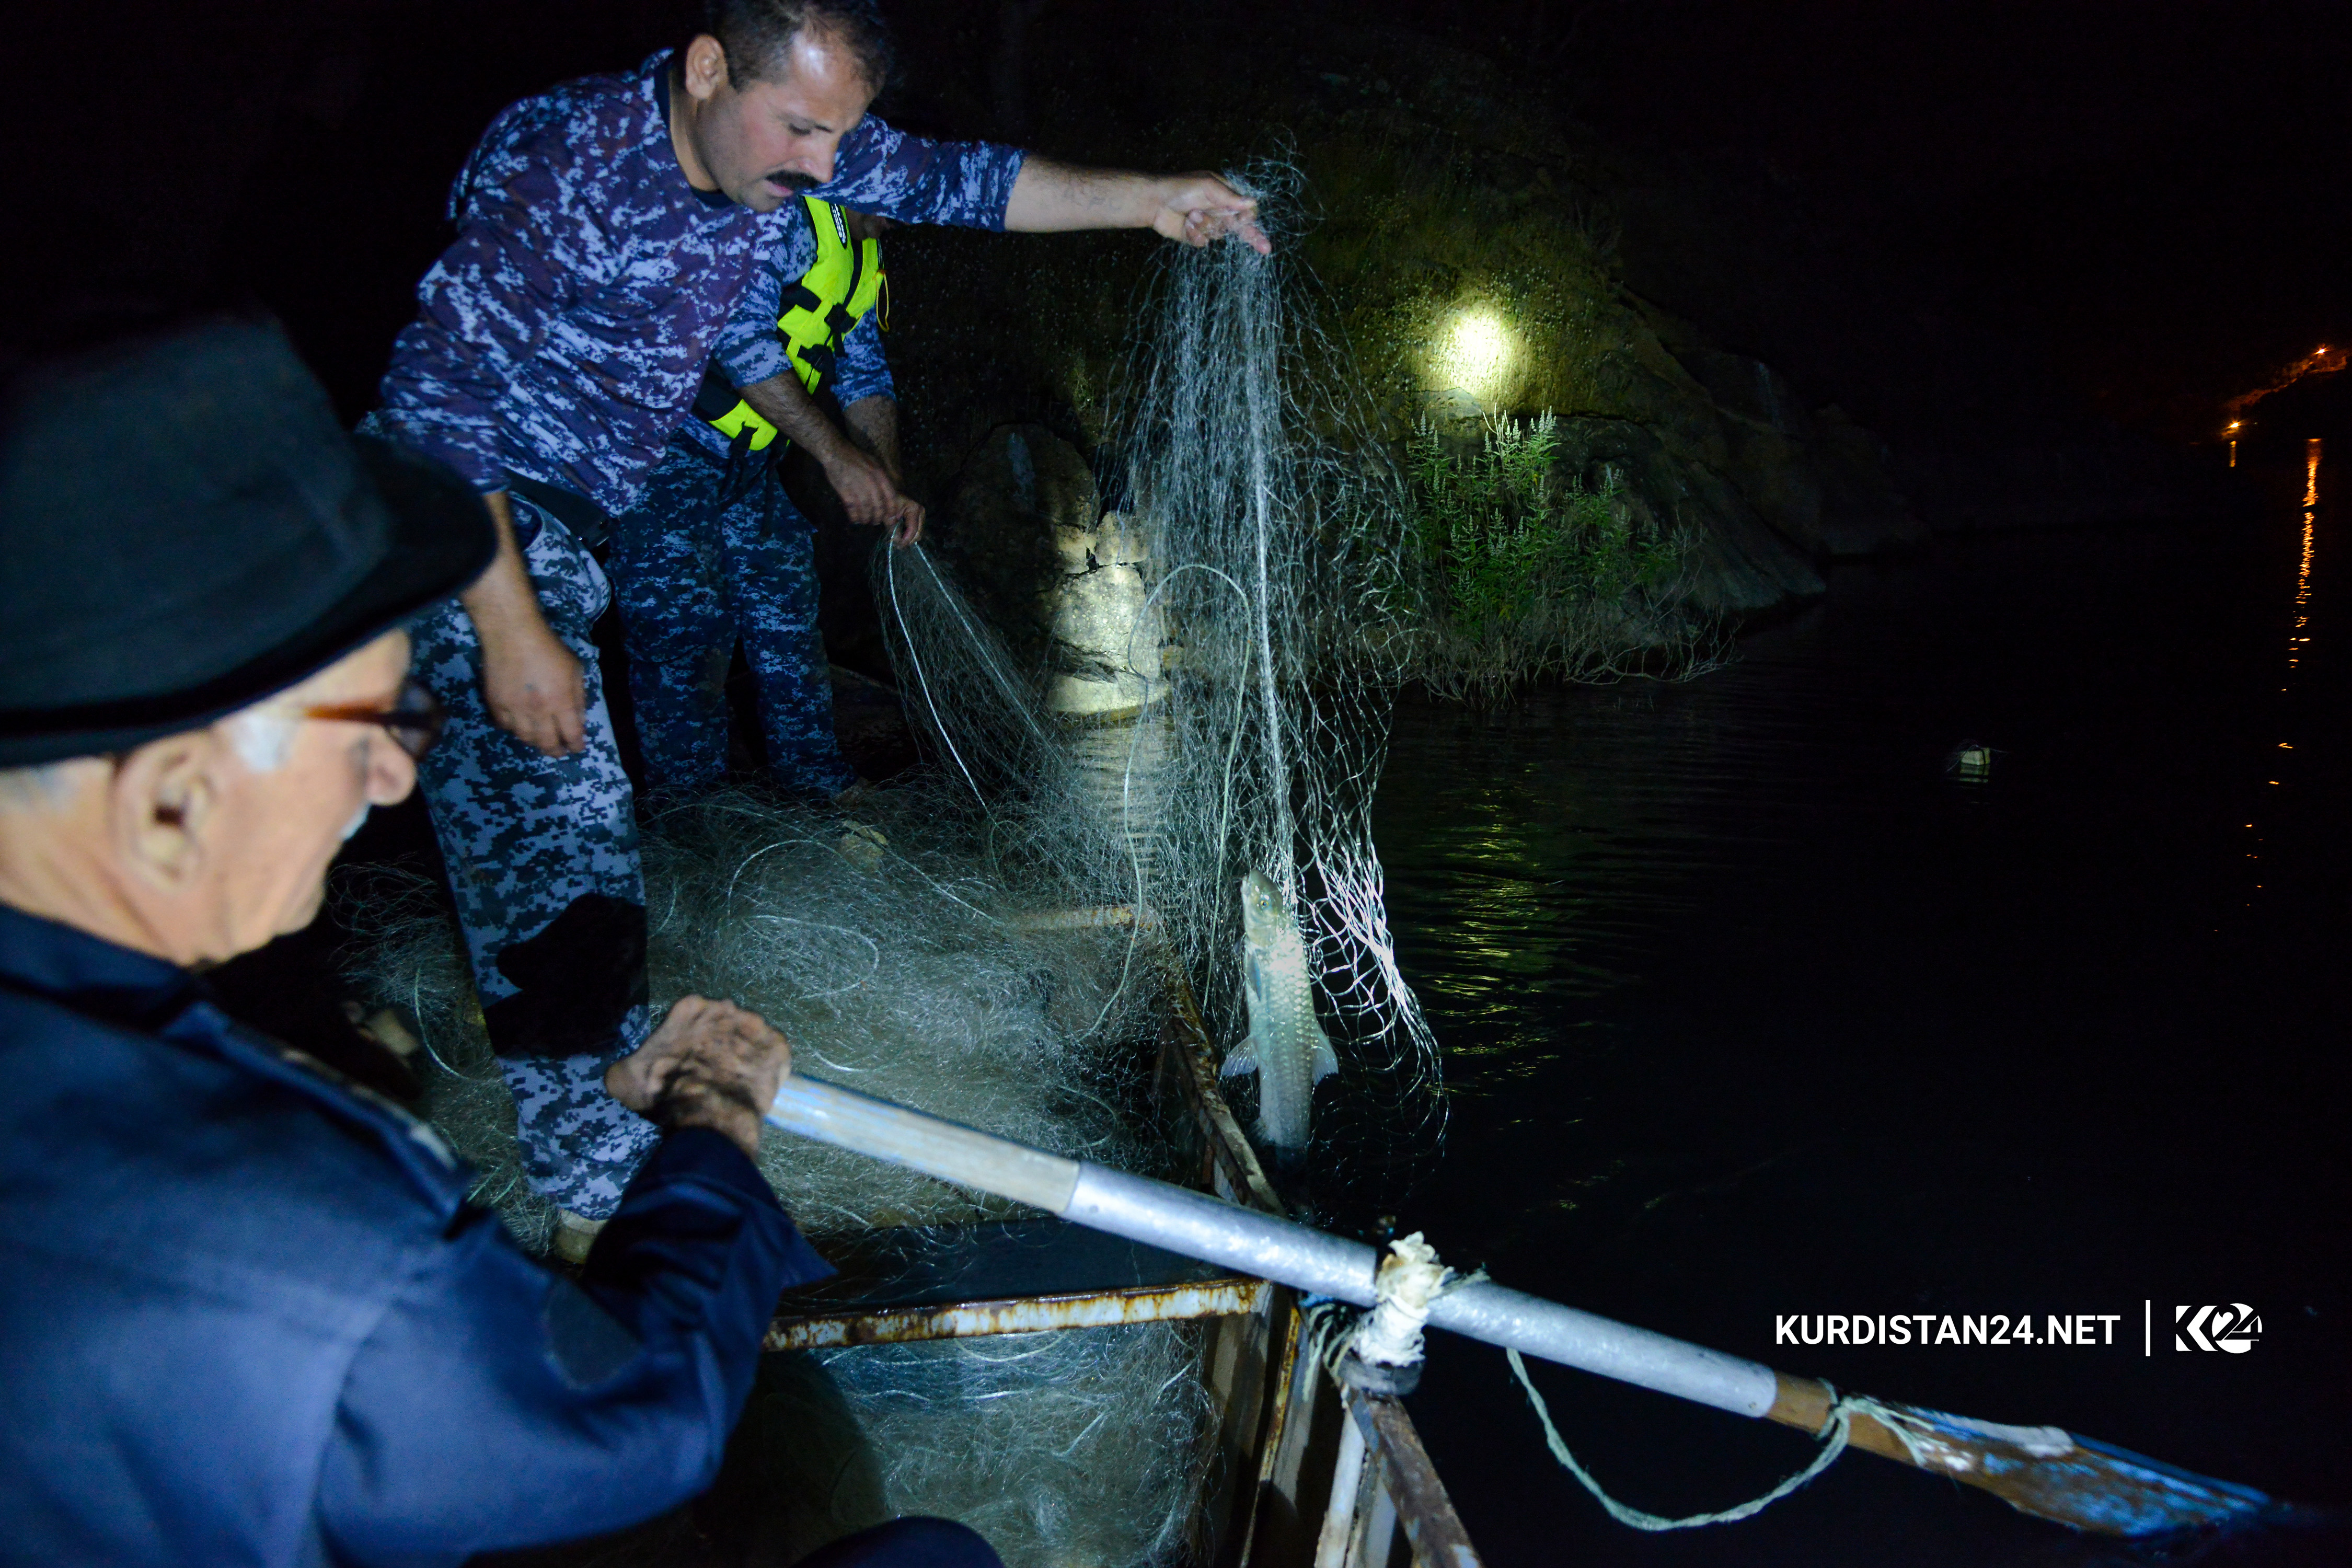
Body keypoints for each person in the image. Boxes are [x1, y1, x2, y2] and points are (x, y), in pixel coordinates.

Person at [0, 316, 999, 1567]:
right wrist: (709, 1130)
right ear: (172, 803)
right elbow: (633, 1426)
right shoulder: (300, 1222)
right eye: (375, 720)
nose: (388, 777)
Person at [367, 0, 1267, 1246]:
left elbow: (966, 182)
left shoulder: (774, 175)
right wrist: (515, 626)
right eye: (797, 127)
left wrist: (1154, 199)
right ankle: (595, 1228)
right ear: (701, 70)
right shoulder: (567, 158)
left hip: (568, 531)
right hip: (470, 532)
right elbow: (431, 403)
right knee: (567, 854)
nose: (821, 169)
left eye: (840, 141)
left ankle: (471, 1088)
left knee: (477, 821)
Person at [609, 197, 913, 802]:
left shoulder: (865, 253)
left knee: (788, 612)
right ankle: (694, 818)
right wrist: (834, 456)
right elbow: (738, 340)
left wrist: (887, 482)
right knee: (686, 632)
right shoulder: (784, 220)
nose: (914, 213)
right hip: (665, 452)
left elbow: (866, 375)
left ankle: (817, 778)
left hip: (748, 466)